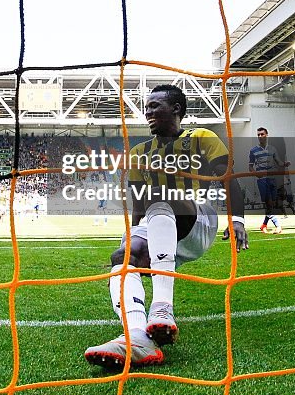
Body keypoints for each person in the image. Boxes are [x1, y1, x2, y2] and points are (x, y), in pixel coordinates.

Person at [84, 84, 247, 368]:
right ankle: (137, 337)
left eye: (154, 106)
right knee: (123, 256)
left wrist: (238, 220)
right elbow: (137, 206)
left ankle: (162, 309)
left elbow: (229, 179)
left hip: (198, 221)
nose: (147, 112)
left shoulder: (202, 138)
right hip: (156, 223)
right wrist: (130, 242)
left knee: (162, 195)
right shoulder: (139, 152)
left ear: (176, 109)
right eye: (146, 107)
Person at [251, 127, 289, 233]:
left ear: (267, 135)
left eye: (262, 134)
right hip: (262, 180)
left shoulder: (272, 149)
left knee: (271, 204)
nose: (260, 136)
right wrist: (256, 174)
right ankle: (278, 226)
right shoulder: (253, 150)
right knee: (268, 204)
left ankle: (264, 225)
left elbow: (279, 162)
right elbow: (250, 167)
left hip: (272, 179)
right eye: (258, 135)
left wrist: (284, 164)